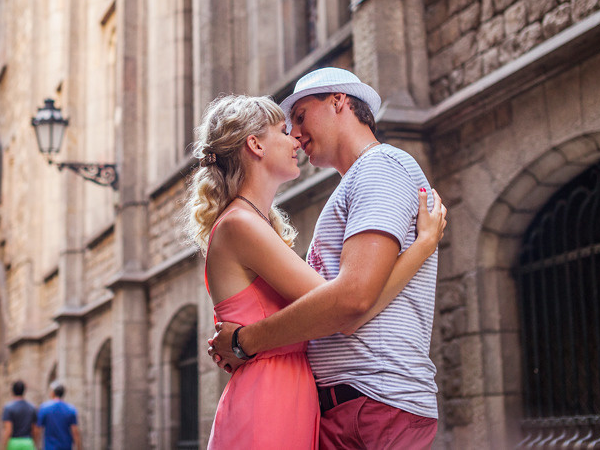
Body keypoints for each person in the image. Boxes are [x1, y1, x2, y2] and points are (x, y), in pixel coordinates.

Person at [188, 93, 446, 448]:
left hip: (294, 396)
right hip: (270, 399)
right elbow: (346, 308)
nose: (295, 137)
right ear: (255, 145)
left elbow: (342, 305)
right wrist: (422, 247)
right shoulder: (241, 225)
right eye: (283, 129)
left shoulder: (254, 225)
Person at [37, 381, 81, 450]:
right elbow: (75, 432)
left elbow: (38, 429)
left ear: (53, 393)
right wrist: (79, 447)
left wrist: (36, 445)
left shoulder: (44, 408)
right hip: (66, 447)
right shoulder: (71, 409)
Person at [2, 379, 40, 450]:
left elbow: (8, 429)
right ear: (24, 391)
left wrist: (4, 446)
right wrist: (34, 443)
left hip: (13, 443)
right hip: (28, 442)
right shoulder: (32, 408)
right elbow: (35, 429)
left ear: (12, 391)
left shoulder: (8, 408)